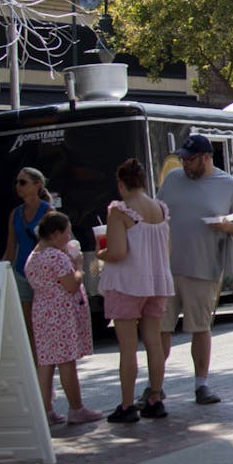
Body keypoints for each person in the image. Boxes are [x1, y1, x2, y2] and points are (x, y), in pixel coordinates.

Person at [159, 134, 233, 406]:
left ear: (206, 157)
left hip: (204, 267)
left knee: (199, 327)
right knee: (160, 328)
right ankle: (154, 387)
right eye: (183, 158)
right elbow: (157, 212)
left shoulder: (229, 185)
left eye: (190, 159)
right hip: (166, 268)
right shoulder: (172, 179)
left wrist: (227, 227)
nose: (185, 163)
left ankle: (201, 385)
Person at [99, 158, 175, 423]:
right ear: (143, 182)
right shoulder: (160, 209)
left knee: (128, 346)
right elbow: (168, 250)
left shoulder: (120, 211)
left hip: (127, 283)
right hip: (157, 282)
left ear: (121, 184)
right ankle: (155, 398)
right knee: (154, 341)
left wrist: (101, 253)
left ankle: (127, 405)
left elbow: (118, 252)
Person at [25, 211, 102, 425]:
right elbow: (70, 284)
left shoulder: (34, 256)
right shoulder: (56, 256)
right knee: (66, 360)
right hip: (60, 313)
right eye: (67, 233)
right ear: (57, 233)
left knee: (46, 362)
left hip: (42, 312)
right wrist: (78, 266)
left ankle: (46, 410)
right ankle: (76, 408)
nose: (69, 238)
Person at [3, 166, 51, 350]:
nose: (18, 186)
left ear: (37, 185)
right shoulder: (15, 214)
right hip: (21, 273)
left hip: (42, 275)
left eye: (23, 182)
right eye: (16, 182)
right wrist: (1, 271)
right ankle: (35, 365)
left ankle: (45, 362)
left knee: (43, 323)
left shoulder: (48, 211)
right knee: (27, 323)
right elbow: (10, 248)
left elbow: (55, 244)